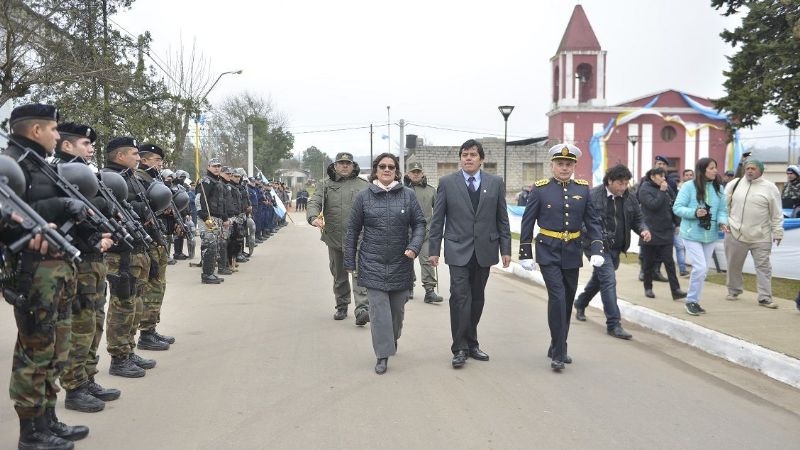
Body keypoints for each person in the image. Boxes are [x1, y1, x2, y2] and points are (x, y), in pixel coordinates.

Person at [3, 104, 91, 448]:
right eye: (54, 129)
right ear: (36, 130)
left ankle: (48, 419)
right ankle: (31, 432)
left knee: (57, 348)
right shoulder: (10, 165)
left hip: (57, 271)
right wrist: (57, 207)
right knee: (35, 351)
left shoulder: (42, 164)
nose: (58, 135)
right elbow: (10, 216)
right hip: (33, 272)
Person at [52, 123, 120, 413]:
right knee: (79, 324)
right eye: (85, 143)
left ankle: (87, 377)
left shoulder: (88, 174)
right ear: (67, 146)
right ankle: (74, 386)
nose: (91, 148)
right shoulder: (57, 174)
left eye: (91, 144)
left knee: (94, 321)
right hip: (77, 260)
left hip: (95, 258)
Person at [519, 143, 604, 371]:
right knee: (557, 297)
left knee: (567, 299)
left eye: (568, 164)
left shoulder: (583, 190)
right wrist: (525, 252)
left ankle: (557, 344)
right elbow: (528, 222)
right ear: (552, 166)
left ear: (574, 166)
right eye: (560, 164)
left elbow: (593, 221)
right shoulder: (540, 189)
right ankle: (559, 353)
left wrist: (597, 248)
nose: (564, 168)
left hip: (572, 251)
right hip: (548, 250)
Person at [428, 139, 511, 369]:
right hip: (457, 249)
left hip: (485, 250)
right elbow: (438, 219)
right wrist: (433, 250)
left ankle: (472, 343)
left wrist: (505, 248)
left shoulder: (495, 183)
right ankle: (459, 348)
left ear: (481, 159)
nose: (468, 158)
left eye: (473, 154)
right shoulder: (447, 183)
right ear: (460, 159)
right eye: (464, 154)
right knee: (459, 297)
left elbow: (502, 218)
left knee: (477, 299)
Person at [344, 153, 425, 374]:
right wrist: (350, 260)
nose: (387, 169)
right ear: (376, 170)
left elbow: (419, 224)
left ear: (396, 171)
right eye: (382, 166)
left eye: (391, 166)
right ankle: (382, 355)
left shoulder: (408, 195)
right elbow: (352, 230)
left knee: (396, 311)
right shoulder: (364, 197)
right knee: (379, 312)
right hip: (372, 262)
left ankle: (392, 338)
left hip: (401, 262)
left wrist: (414, 246)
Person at [101, 137, 159, 376]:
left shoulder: (130, 177)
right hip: (120, 253)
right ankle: (118, 358)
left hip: (137, 248)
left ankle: (128, 349)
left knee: (135, 303)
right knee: (122, 305)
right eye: (134, 154)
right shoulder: (107, 178)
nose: (138, 158)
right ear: (120, 156)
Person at [574, 164, 650, 340]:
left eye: (626, 183)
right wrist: (593, 234)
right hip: (596, 246)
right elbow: (582, 221)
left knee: (600, 279)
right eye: (620, 183)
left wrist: (644, 230)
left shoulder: (629, 197)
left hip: (617, 247)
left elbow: (638, 219)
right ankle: (614, 324)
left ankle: (581, 302)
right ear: (609, 181)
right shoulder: (592, 196)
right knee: (608, 280)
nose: (624, 187)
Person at [307, 152, 370, 324]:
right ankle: (342, 305)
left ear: (353, 165)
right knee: (339, 275)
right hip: (335, 238)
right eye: (341, 163)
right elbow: (314, 201)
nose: (344, 166)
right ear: (335, 166)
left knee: (359, 273)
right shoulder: (325, 184)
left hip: (359, 239)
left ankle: (362, 309)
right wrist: (313, 217)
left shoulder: (364, 185)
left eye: (347, 163)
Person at [672, 157, 729, 316]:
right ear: (702, 170)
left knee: (702, 271)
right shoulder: (688, 186)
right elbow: (677, 208)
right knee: (700, 267)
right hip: (691, 234)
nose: (715, 170)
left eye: (715, 167)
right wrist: (695, 213)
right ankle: (690, 301)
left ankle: (695, 301)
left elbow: (722, 210)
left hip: (710, 235)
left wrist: (722, 222)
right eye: (711, 168)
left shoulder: (719, 188)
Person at [724, 159, 783, 308]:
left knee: (764, 267)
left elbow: (777, 213)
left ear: (761, 171)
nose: (749, 171)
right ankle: (734, 290)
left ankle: (765, 297)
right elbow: (723, 206)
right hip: (735, 232)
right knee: (733, 265)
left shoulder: (770, 188)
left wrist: (778, 232)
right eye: (748, 168)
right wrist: (724, 223)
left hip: (761, 236)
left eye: (753, 168)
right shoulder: (734, 184)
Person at [135, 143, 174, 351]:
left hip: (157, 237)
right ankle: (146, 333)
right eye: (157, 160)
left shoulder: (153, 180)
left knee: (158, 285)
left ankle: (151, 328)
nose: (160, 164)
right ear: (144, 160)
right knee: (151, 286)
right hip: (147, 239)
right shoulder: (139, 179)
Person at [638, 167, 688, 300]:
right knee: (648, 263)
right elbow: (653, 205)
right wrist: (661, 191)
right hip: (650, 231)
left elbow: (674, 205)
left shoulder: (667, 188)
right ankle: (648, 287)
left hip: (666, 230)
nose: (663, 178)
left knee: (669, 262)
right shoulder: (644, 189)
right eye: (661, 176)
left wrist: (677, 223)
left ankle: (676, 290)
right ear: (652, 177)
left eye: (664, 176)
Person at [403, 161, 443, 303]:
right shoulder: (401, 190)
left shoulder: (431, 190)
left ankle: (430, 291)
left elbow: (439, 212)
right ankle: (408, 287)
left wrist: (436, 230)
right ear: (408, 174)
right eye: (413, 172)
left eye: (418, 172)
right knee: (406, 261)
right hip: (405, 233)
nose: (415, 174)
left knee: (427, 260)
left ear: (422, 173)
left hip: (426, 233)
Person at [195, 158, 228, 284]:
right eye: (214, 166)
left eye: (219, 166)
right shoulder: (206, 181)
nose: (217, 168)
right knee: (209, 246)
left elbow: (221, 202)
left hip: (217, 218)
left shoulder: (218, 182)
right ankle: (207, 275)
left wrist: (224, 218)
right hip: (207, 218)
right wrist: (205, 217)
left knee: (215, 247)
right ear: (208, 167)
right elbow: (199, 199)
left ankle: (211, 273)